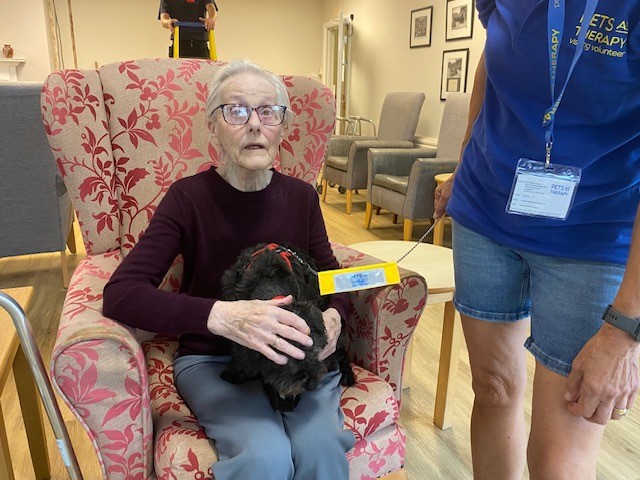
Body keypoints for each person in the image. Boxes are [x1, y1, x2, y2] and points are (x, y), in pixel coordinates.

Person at [103, 58, 354, 480]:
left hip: (294, 356)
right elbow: (122, 292)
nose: (254, 123)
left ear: (282, 126)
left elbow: (330, 276)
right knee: (264, 457)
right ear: (213, 126)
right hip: (212, 359)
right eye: (237, 110)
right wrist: (220, 316)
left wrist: (335, 316)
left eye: (267, 110)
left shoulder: (302, 197)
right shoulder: (187, 199)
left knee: (321, 449)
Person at [434, 1, 640, 479]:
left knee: (561, 451)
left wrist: (624, 331)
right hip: (486, 213)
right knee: (492, 389)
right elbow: (493, 59)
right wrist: (465, 158)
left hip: (593, 234)